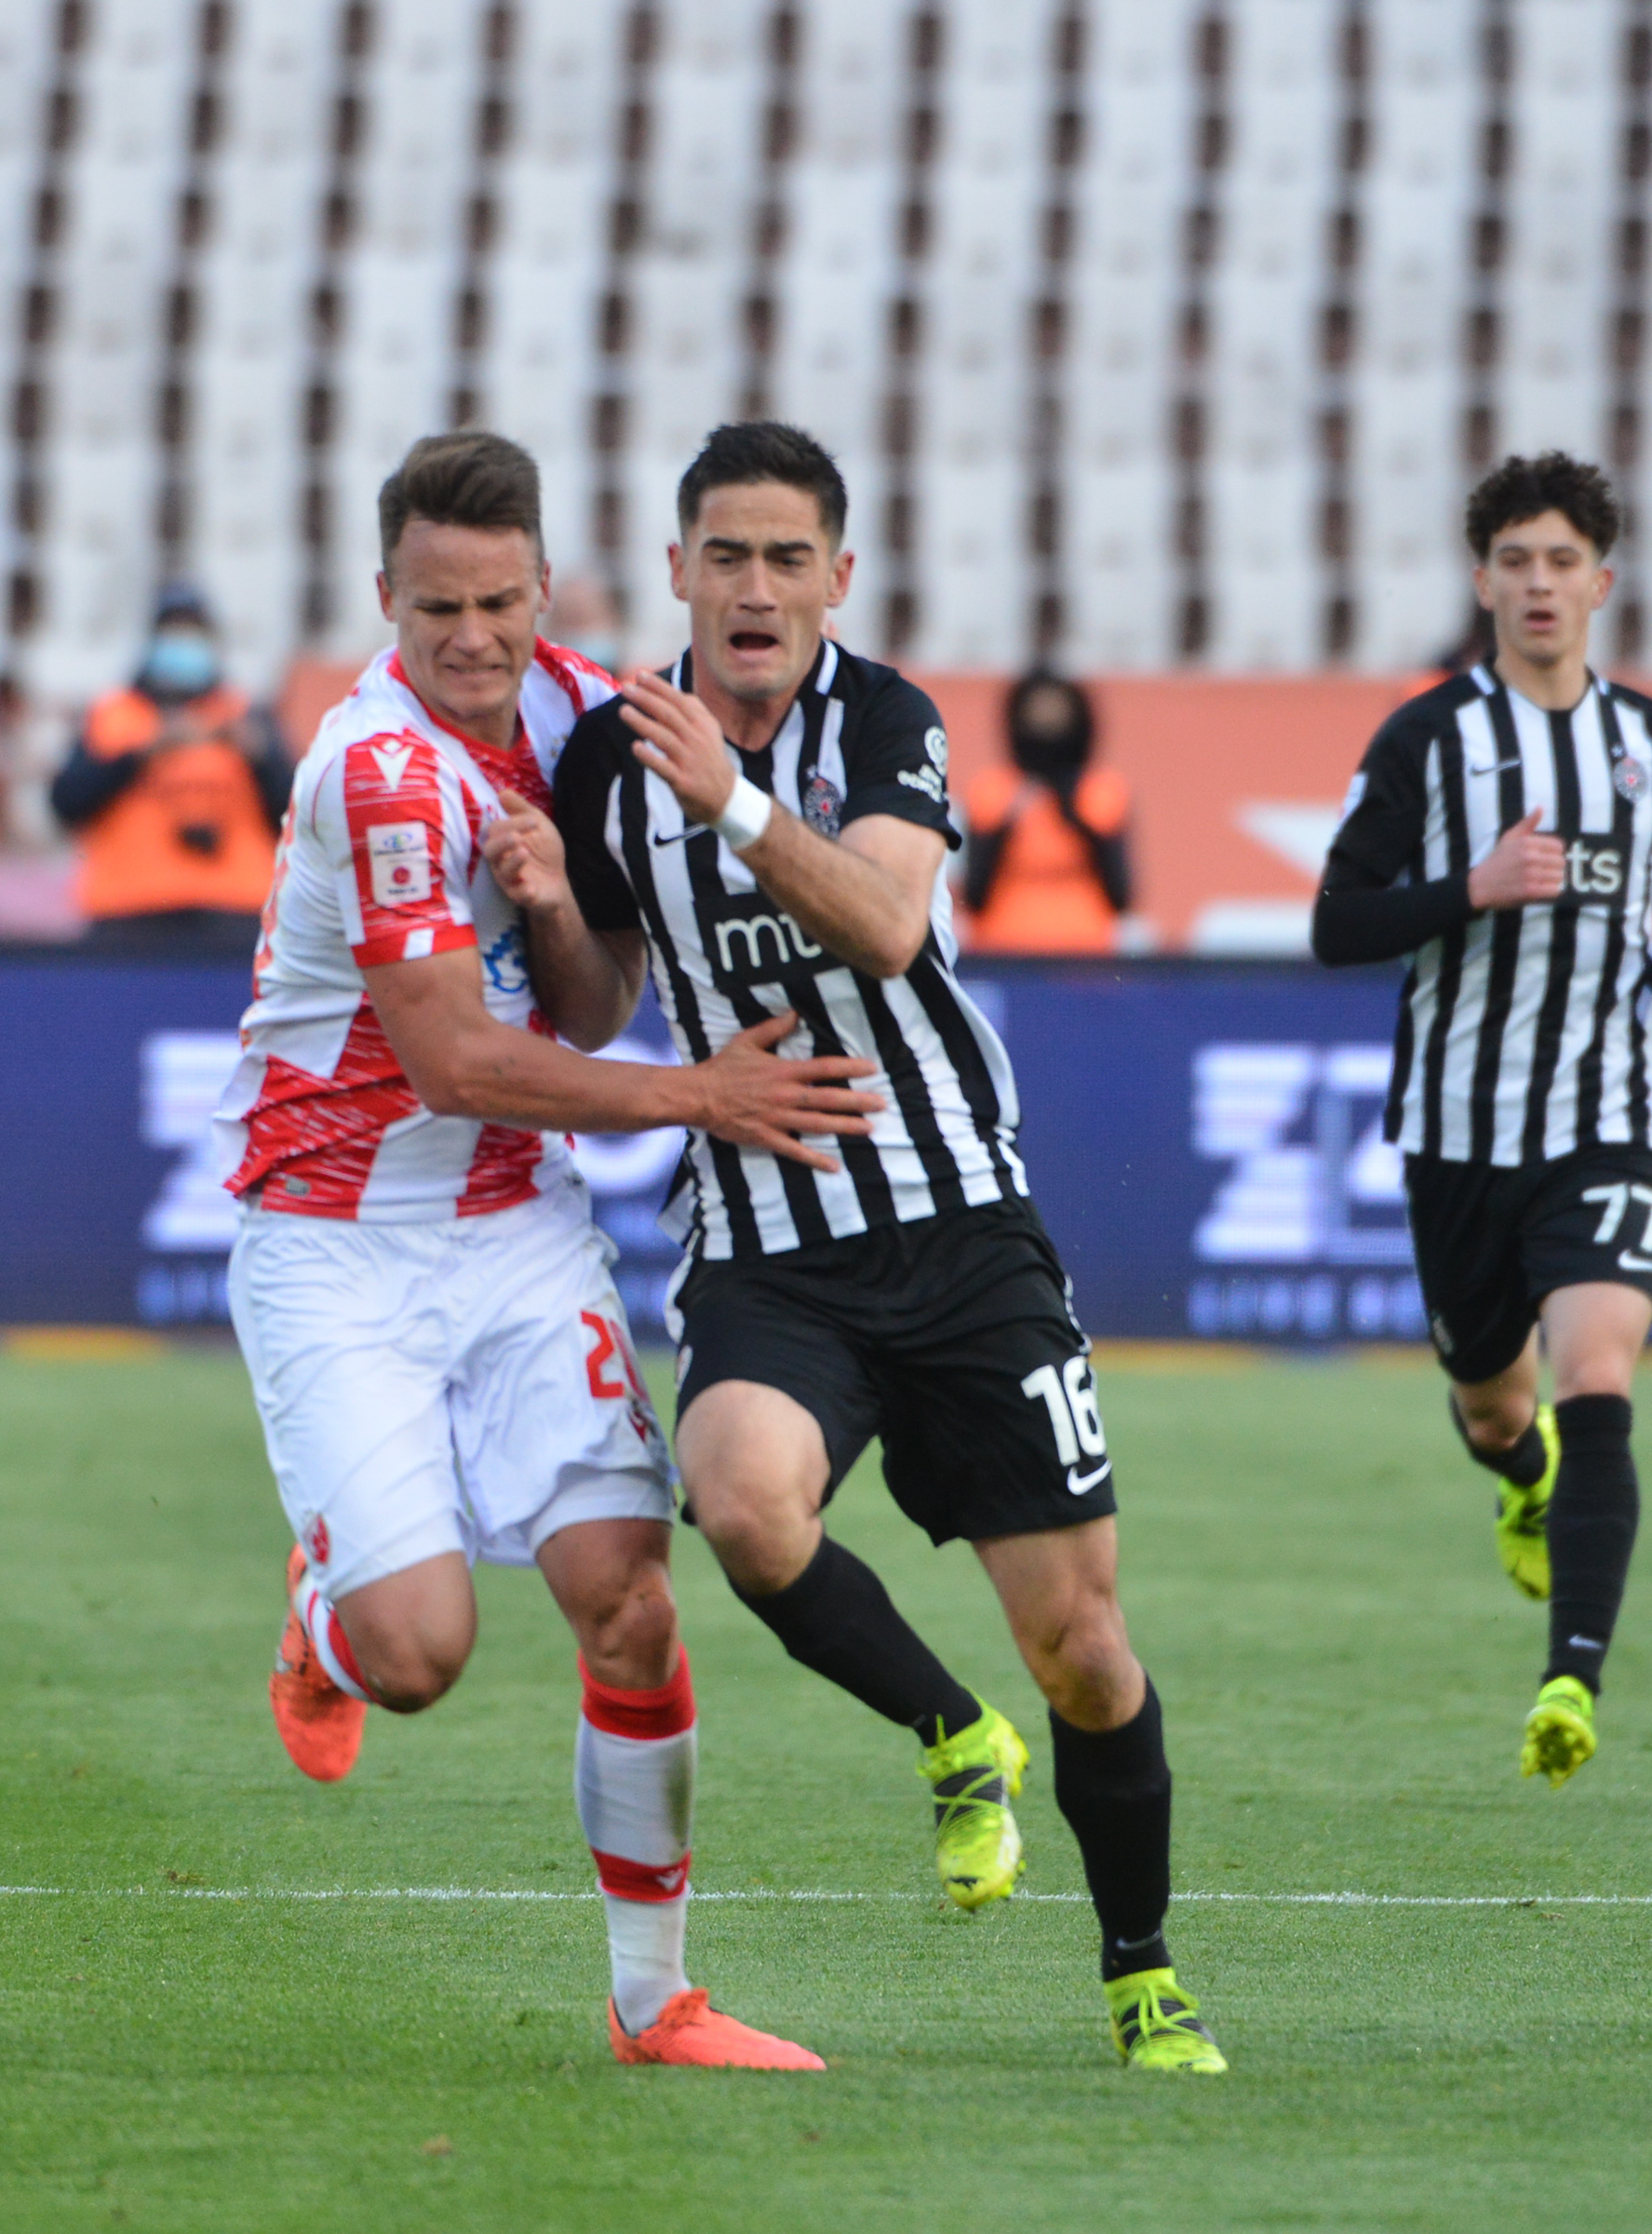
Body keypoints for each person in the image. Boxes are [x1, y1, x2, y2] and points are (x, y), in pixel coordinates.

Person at [517, 422, 1224, 2075]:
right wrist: (552, 898)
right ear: (681, 567)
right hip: (770, 1236)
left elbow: (895, 923)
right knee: (744, 1505)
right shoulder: (612, 756)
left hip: (961, 1229)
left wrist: (737, 802)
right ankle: (952, 1732)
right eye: (725, 555)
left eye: (787, 559)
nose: (754, 589)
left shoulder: (884, 723)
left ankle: (1142, 1970)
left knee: (1089, 1651)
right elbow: (595, 1005)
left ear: (839, 579)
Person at [222, 430, 883, 2072]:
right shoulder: (377, 774)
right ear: (385, 600)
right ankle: (327, 1623)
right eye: (436, 607)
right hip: (337, 1240)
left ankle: (656, 2001)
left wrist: (553, 912)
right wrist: (703, 1097)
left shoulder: (590, 717)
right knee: (420, 1658)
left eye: (500, 602)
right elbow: (455, 1064)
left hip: (515, 1223)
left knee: (631, 1606)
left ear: (544, 588)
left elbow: (583, 1003)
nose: (471, 639)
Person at [1308, 451, 1652, 1788]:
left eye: (1564, 561)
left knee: (1599, 1380)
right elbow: (1340, 921)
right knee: (1495, 1406)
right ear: (1483, 579)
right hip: (1457, 1129)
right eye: (1516, 560)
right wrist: (1475, 885)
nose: (1540, 583)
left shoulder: (1648, 739)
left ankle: (1573, 1673)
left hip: (1609, 1112)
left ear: (1602, 583)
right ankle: (1518, 1478)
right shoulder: (1426, 739)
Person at [48, 585, 289, 949]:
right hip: (129, 913)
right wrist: (142, 754)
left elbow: (296, 814)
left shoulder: (246, 716)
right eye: (172, 632)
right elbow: (66, 801)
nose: (183, 644)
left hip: (234, 913)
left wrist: (260, 757)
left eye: (193, 633)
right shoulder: (114, 714)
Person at [959, 669, 1134, 954]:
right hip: (1003, 951)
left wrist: (1075, 816)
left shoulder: (1103, 791)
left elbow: (1122, 894)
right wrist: (1006, 827)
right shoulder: (990, 790)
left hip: (1086, 953)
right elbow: (974, 893)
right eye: (1037, 709)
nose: (1046, 719)